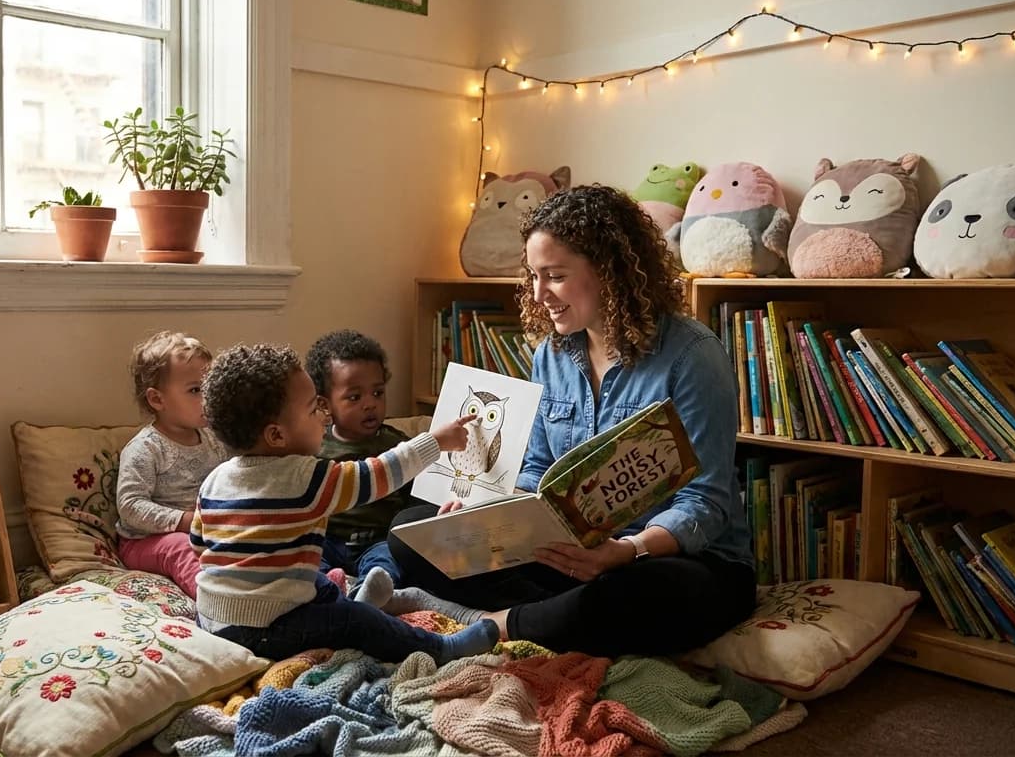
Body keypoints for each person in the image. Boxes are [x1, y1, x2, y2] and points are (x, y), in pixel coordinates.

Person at [386, 184, 756, 658]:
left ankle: (497, 624)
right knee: (411, 532)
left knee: (634, 594)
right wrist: (484, 512)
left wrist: (626, 550)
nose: (539, 294)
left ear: (609, 272)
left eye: (555, 276)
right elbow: (539, 467)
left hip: (678, 559)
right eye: (534, 276)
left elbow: (706, 502)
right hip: (575, 553)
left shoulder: (692, 357)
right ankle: (558, 619)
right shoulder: (552, 354)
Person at [192, 343, 498, 663]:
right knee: (354, 620)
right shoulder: (306, 478)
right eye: (314, 410)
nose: (324, 418)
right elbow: (378, 474)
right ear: (276, 435)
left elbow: (200, 544)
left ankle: (357, 596)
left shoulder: (215, 479)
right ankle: (440, 648)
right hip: (262, 630)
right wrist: (435, 441)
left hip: (211, 617)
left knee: (322, 585)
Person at [307, 329, 430, 588]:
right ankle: (327, 587)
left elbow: (416, 493)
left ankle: (370, 590)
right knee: (307, 561)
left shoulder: (397, 445)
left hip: (377, 540)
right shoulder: (316, 445)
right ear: (325, 405)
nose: (370, 404)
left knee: (387, 563)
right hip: (328, 539)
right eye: (355, 397)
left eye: (377, 393)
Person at [114, 331, 228, 599]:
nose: (208, 397)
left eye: (210, 386)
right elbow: (130, 506)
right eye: (195, 390)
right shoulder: (147, 448)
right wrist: (183, 521)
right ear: (157, 400)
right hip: (146, 541)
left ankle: (306, 583)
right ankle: (214, 601)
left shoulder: (213, 439)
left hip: (205, 530)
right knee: (180, 548)